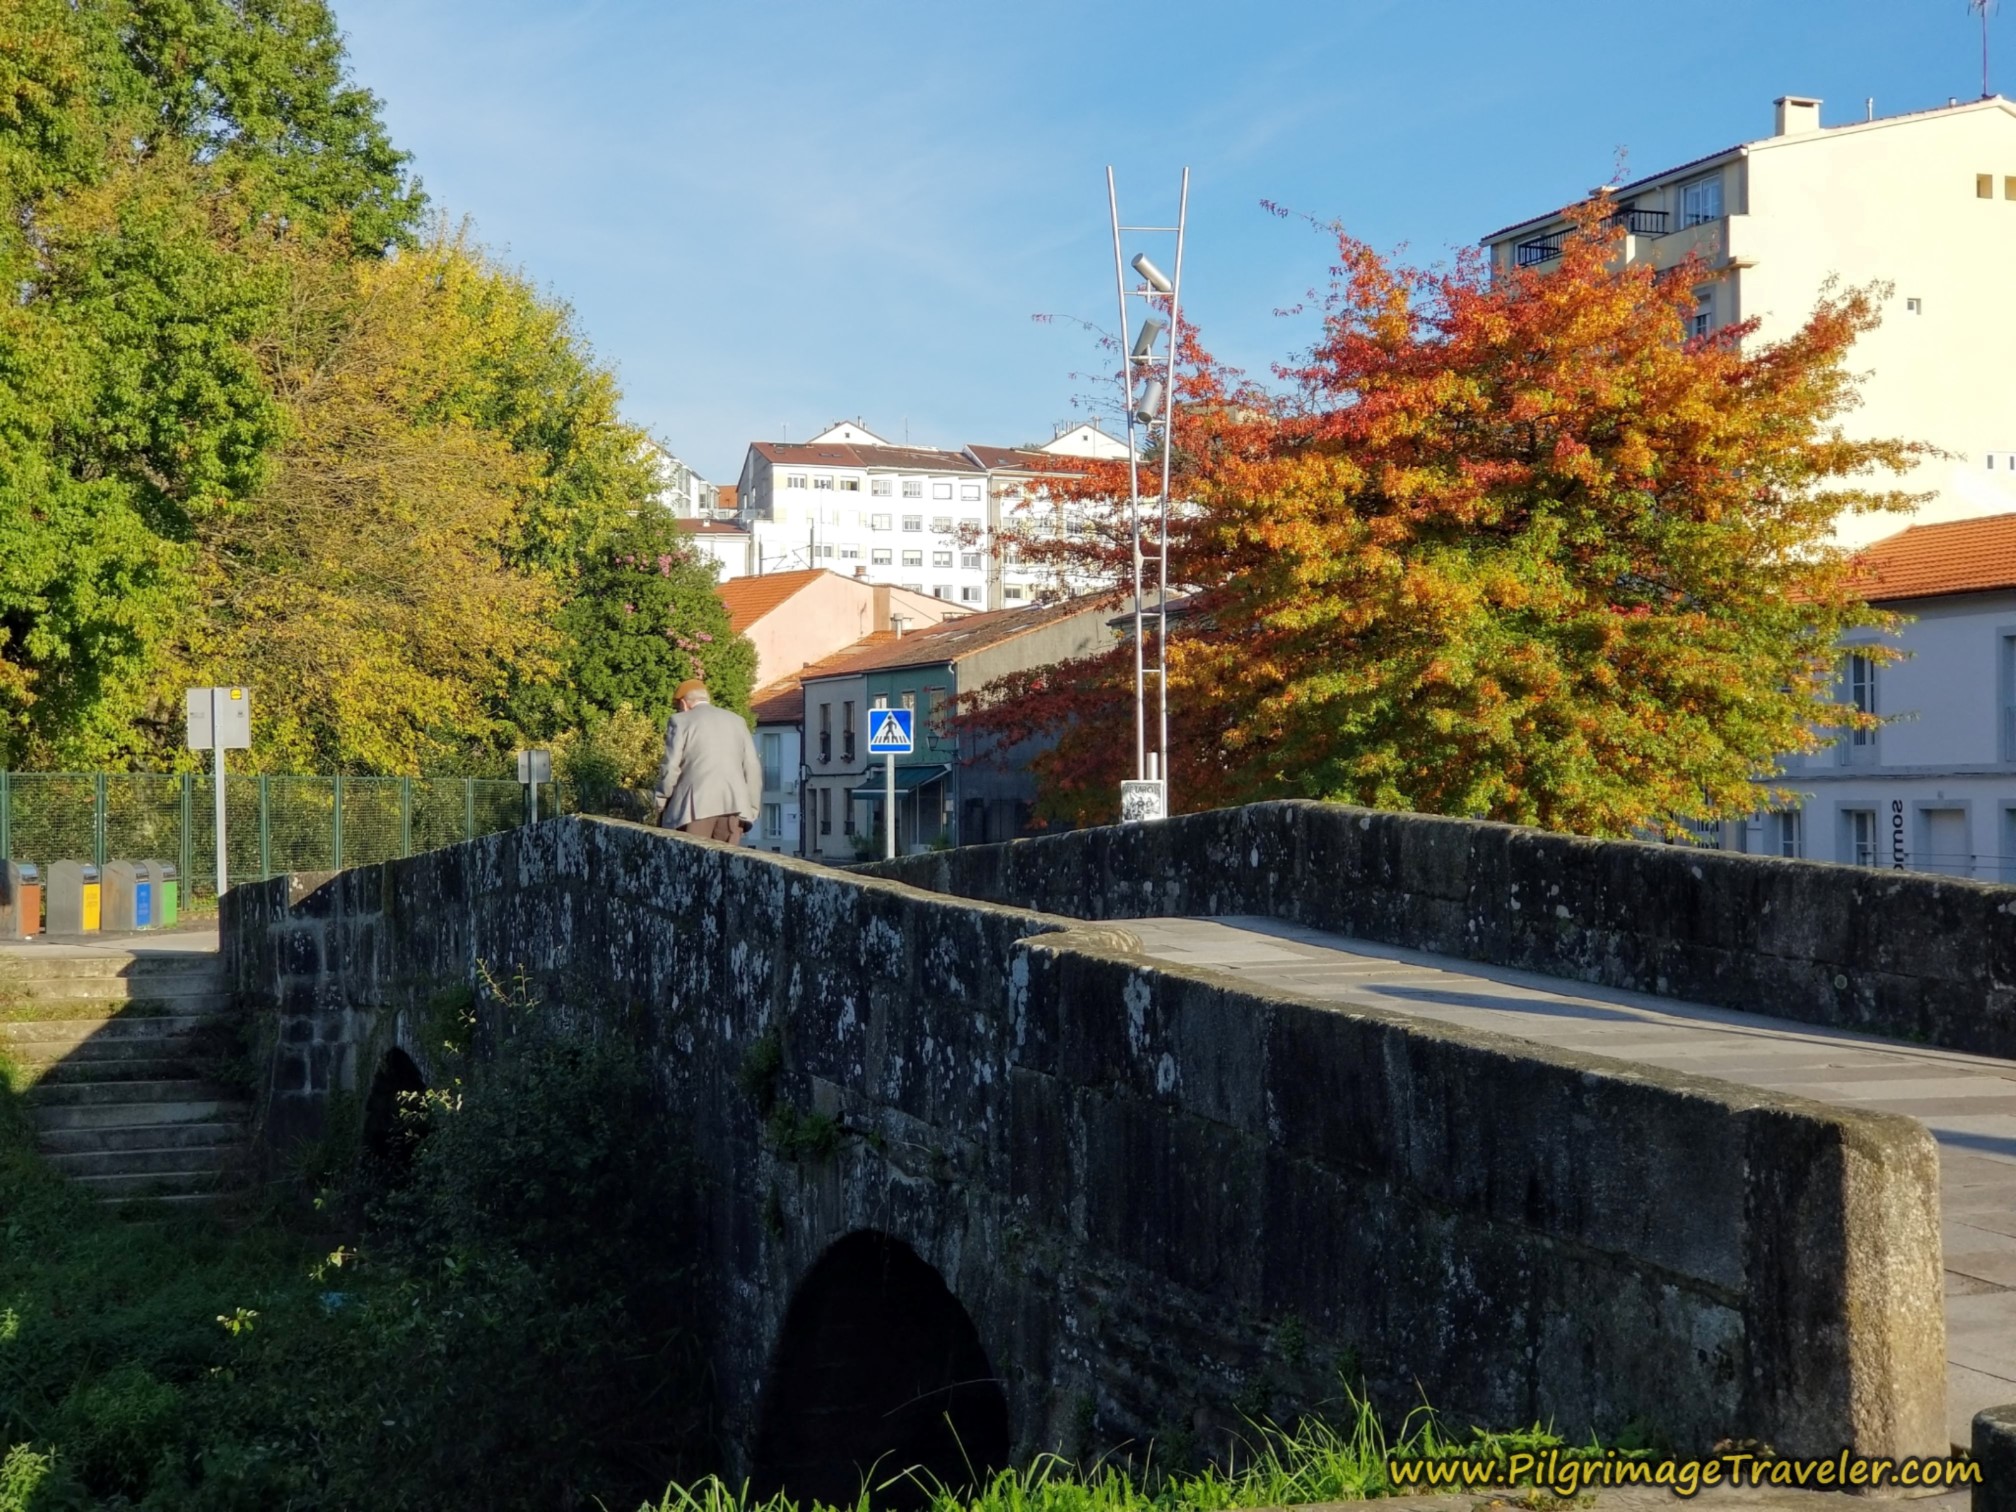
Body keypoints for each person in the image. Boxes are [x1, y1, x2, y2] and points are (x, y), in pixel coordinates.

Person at [654, 678, 763, 842]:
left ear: (684, 703)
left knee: (691, 863)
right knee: (726, 865)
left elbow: (671, 767)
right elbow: (752, 768)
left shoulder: (680, 721)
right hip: (734, 807)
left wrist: (660, 801)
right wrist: (752, 808)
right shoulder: (737, 721)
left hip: (694, 809)